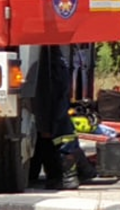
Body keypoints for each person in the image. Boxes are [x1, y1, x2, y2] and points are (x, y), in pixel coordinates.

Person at [29, 45, 96, 190]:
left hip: (48, 68)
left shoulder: (49, 62)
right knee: (52, 124)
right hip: (49, 66)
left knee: (53, 124)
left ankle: (67, 174)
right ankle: (72, 172)